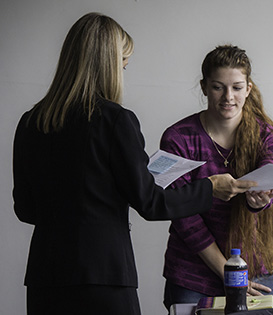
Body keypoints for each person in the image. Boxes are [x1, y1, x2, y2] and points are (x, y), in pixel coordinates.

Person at [12, 13, 254, 315]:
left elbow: (24, 208)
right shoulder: (115, 121)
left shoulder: (31, 122)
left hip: (45, 277)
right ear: (108, 65)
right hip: (104, 275)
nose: (124, 72)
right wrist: (209, 187)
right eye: (122, 64)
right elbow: (151, 203)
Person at [160, 45, 273, 309]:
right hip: (191, 276)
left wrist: (258, 201)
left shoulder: (271, 138)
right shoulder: (178, 138)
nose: (228, 97)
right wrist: (228, 272)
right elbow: (184, 217)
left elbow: (268, 183)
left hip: (252, 273)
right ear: (204, 87)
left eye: (237, 87)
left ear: (248, 89)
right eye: (218, 87)